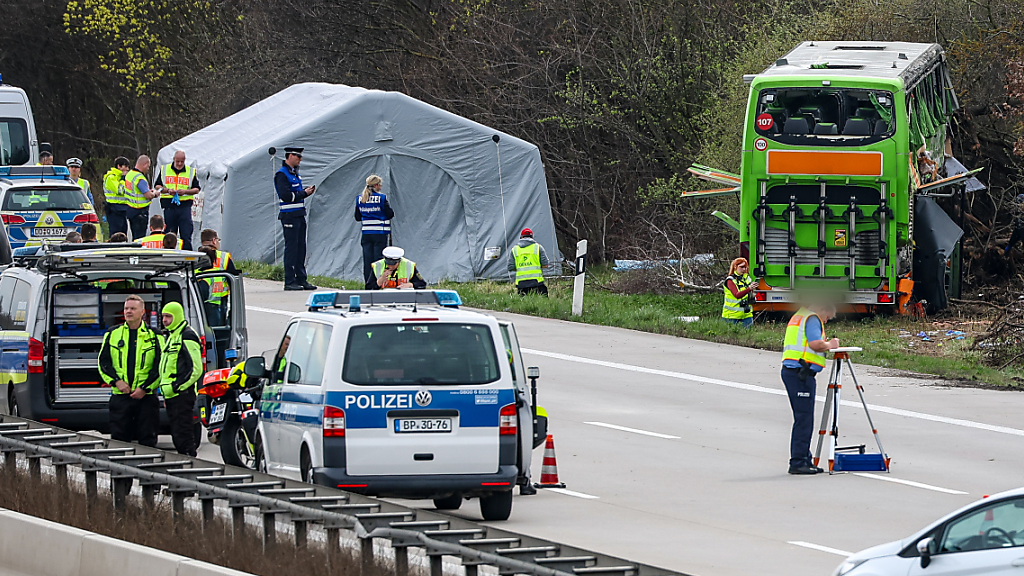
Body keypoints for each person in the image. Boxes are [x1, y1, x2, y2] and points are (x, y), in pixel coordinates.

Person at [781, 303, 840, 475]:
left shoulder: (801, 315)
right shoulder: (813, 318)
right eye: (827, 317)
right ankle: (798, 462)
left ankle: (804, 457)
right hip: (800, 373)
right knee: (804, 419)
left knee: (803, 418)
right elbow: (815, 343)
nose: (826, 322)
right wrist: (830, 345)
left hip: (795, 371)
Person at [99, 295, 162, 447]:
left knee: (147, 439)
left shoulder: (155, 335)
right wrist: (116, 381)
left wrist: (145, 388)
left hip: (145, 397)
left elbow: (160, 366)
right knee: (119, 440)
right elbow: (103, 362)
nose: (128, 311)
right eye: (126, 308)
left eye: (133, 309)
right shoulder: (113, 333)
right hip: (121, 397)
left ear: (142, 312)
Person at [158, 301, 203, 456]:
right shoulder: (171, 336)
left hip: (182, 394)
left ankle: (190, 467)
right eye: (163, 316)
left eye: (168, 316)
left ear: (177, 316)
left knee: (183, 436)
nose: (164, 320)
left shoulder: (187, 335)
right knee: (178, 435)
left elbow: (196, 368)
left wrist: (177, 387)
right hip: (172, 395)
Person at [274, 147, 317, 291]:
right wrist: (303, 193)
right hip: (289, 215)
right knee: (291, 248)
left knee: (301, 248)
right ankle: (290, 280)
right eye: (298, 157)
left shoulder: (295, 174)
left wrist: (304, 193)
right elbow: (286, 196)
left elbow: (295, 193)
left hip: (299, 214)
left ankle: (301, 278)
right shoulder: (282, 174)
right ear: (290, 156)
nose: (300, 159)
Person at [154, 150, 200, 250]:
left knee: (186, 235)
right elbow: (157, 186)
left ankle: (188, 258)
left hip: (184, 206)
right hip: (169, 206)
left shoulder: (190, 171)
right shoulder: (165, 170)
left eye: (181, 162)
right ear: (174, 159)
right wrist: (167, 190)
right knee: (169, 235)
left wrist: (185, 191)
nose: (179, 164)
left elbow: (197, 189)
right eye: (177, 161)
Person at [355, 174, 395, 287]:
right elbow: (390, 214)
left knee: (367, 260)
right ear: (376, 185)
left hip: (366, 233)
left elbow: (357, 217)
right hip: (380, 233)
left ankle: (368, 284)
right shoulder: (381, 198)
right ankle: (378, 283)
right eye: (380, 184)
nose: (381, 187)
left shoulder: (360, 199)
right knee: (378, 260)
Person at [124, 155, 160, 240]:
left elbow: (136, 191)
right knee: (140, 238)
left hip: (130, 208)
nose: (148, 169)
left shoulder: (130, 174)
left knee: (134, 237)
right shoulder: (140, 178)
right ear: (144, 164)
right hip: (140, 212)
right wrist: (155, 193)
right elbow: (148, 195)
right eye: (148, 166)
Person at [508, 228, 549, 296]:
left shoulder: (514, 250)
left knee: (523, 304)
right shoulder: (538, 247)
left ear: (521, 237)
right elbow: (546, 265)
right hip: (537, 282)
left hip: (521, 284)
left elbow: (510, 267)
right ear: (532, 237)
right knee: (543, 300)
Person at [103, 157, 132, 237]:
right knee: (115, 234)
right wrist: (124, 179)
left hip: (123, 209)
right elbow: (120, 190)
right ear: (119, 166)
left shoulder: (118, 177)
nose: (127, 169)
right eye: (125, 166)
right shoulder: (111, 177)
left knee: (123, 233)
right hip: (114, 209)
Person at [722, 258, 755, 328]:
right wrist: (749, 289)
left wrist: (753, 293)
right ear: (735, 267)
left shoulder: (747, 278)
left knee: (747, 336)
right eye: (741, 267)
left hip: (746, 314)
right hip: (731, 315)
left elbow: (749, 294)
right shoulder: (730, 280)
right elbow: (737, 295)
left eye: (745, 267)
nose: (744, 269)